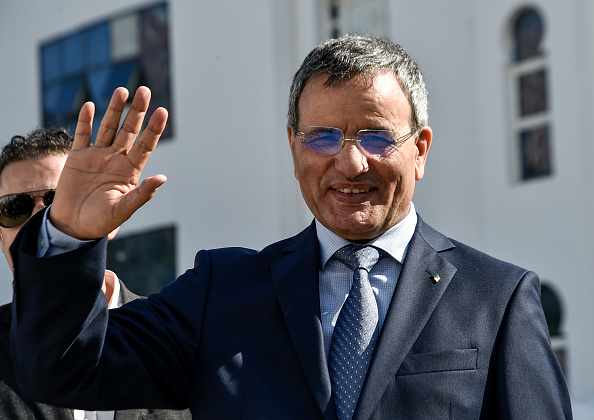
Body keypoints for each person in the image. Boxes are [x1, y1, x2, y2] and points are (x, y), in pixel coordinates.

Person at [9, 34, 571, 419]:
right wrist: (69, 238)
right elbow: (64, 371)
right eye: (322, 136)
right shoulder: (220, 292)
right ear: (293, 146)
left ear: (420, 150)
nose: (350, 164)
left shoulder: (495, 298)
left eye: (375, 136)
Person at [0, 128, 191, 419]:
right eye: (14, 208)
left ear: (110, 218)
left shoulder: (176, 342)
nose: (40, 222)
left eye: (59, 202)